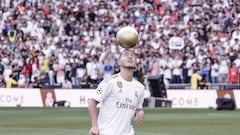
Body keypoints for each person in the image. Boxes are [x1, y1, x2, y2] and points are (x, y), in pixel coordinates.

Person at [88, 49, 145, 135]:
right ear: (119, 62)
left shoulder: (140, 87)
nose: (130, 56)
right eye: (126, 55)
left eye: (132, 55)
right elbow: (92, 103)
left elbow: (138, 108)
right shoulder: (110, 82)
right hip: (107, 132)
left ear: (135, 64)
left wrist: (140, 112)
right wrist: (95, 126)